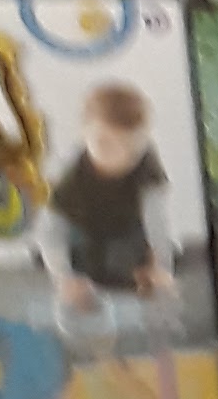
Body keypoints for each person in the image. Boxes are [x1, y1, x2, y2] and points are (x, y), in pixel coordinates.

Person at [44, 81, 171, 329]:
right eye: (104, 143)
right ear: (84, 134)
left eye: (130, 147)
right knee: (76, 289)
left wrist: (161, 267)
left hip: (126, 233)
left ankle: (136, 290)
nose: (118, 156)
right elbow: (50, 232)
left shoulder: (146, 164)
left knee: (155, 290)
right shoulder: (69, 173)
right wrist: (63, 277)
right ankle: (82, 294)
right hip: (83, 233)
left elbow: (158, 221)